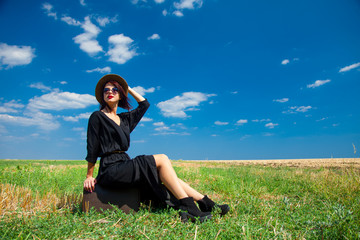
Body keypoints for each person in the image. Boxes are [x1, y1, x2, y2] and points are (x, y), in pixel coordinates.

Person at [83, 74, 229, 223]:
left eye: (115, 89)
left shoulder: (125, 119)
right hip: (111, 168)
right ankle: (188, 207)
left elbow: (144, 104)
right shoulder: (97, 116)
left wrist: (127, 88)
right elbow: (92, 146)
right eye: (106, 90)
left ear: (121, 94)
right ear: (102, 96)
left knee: (168, 176)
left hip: (124, 162)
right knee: (162, 159)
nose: (110, 92)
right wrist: (89, 175)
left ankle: (207, 203)